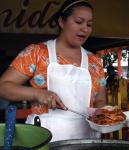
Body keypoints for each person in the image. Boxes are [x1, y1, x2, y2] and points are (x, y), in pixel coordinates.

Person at [0, 0, 106, 141]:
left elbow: (100, 100)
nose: (85, 29)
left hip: (86, 143)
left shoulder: (95, 62)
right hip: (43, 142)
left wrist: (104, 116)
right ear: (61, 22)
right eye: (79, 22)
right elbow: (3, 86)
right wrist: (38, 94)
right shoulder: (36, 53)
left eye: (89, 24)